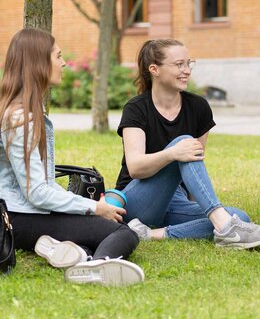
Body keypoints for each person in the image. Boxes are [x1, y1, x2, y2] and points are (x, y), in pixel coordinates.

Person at [0, 28, 144, 286]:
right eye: (58, 56)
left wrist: (84, 208)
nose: (64, 63)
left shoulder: (24, 111)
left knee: (91, 229)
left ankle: (71, 253)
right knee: (124, 233)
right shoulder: (20, 118)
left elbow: (40, 186)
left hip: (23, 213)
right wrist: (94, 207)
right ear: (38, 63)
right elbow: (37, 193)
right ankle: (97, 266)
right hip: (17, 217)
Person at [115, 39, 260, 249]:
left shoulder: (198, 107)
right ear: (154, 69)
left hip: (177, 200)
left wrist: (195, 206)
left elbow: (196, 163)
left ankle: (152, 234)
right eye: (179, 64)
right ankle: (225, 227)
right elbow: (136, 168)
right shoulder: (136, 108)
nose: (186, 71)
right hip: (138, 200)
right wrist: (172, 153)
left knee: (240, 216)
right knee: (184, 143)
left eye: (188, 63)